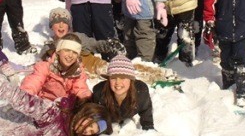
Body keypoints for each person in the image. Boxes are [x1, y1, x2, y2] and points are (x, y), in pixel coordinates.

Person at [42, 7, 175, 85]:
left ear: (68, 25)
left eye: (64, 22)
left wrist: (108, 44)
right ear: (51, 26)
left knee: (121, 71)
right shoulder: (48, 47)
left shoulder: (77, 37)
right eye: (57, 22)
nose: (60, 26)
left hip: (93, 64)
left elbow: (94, 45)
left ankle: (158, 74)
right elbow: (43, 66)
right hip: (81, 74)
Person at [20, 33, 92, 101]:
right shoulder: (46, 66)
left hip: (65, 108)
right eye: (67, 50)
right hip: (44, 105)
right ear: (58, 51)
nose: (70, 55)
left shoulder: (78, 72)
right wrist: (26, 95)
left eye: (75, 52)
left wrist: (87, 100)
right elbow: (34, 81)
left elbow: (81, 89)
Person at [92, 54, 154, 130]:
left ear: (130, 80)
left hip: (127, 114)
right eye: (113, 78)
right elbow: (95, 114)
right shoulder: (99, 92)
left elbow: (145, 109)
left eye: (123, 78)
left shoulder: (140, 91)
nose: (118, 82)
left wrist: (148, 126)